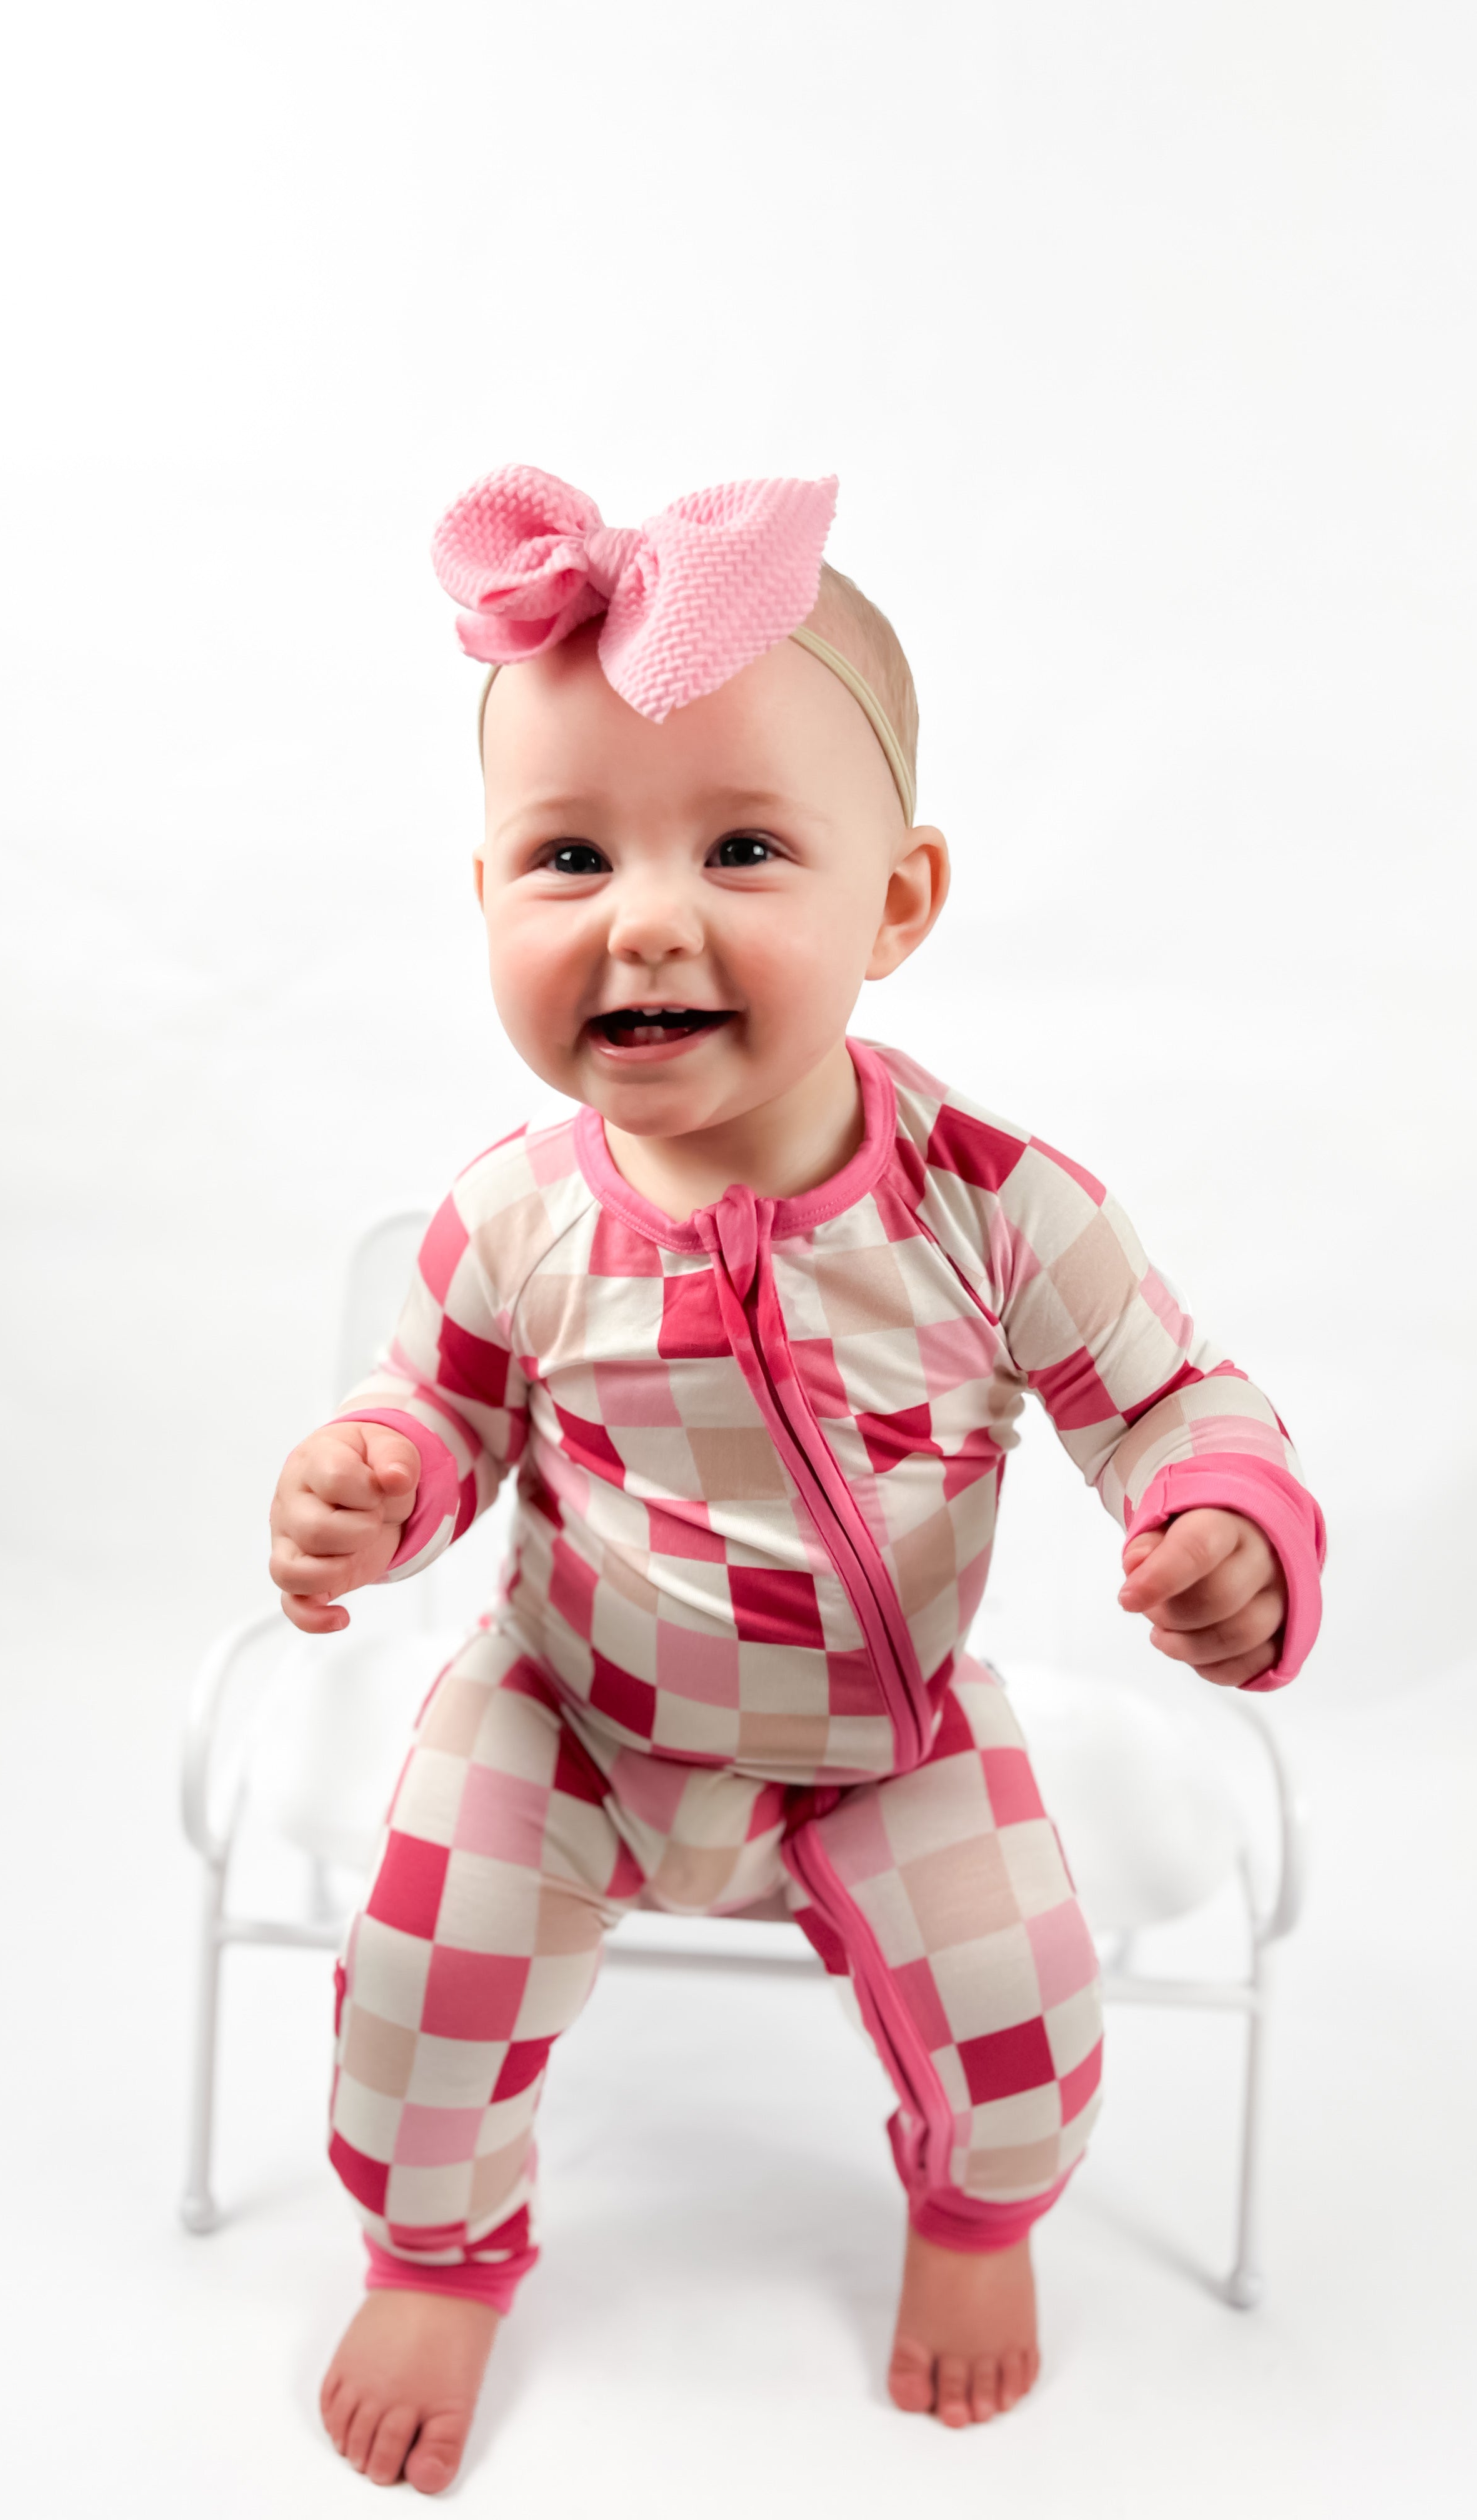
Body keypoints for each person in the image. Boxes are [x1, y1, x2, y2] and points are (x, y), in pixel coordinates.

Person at [266, 468, 1325, 2492]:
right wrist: (374, 1480)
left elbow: (1173, 1396)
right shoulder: (515, 1219)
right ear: (486, 899)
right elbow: (444, 1411)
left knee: (1022, 2010)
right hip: (573, 1712)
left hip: (881, 1736)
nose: (648, 916)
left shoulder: (994, 1207)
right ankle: (436, 2252)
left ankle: (977, 2217)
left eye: (741, 846)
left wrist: (1219, 1519)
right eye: (569, 855)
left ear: (897, 903)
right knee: (418, 1977)